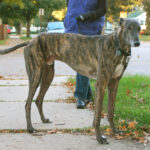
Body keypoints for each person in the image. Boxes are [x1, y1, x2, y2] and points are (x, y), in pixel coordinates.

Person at [64, 0, 107, 109]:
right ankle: (88, 95)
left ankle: (80, 97)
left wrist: (88, 16)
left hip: (90, 29)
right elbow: (69, 5)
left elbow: (103, 10)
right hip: (73, 27)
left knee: (82, 61)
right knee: (79, 62)